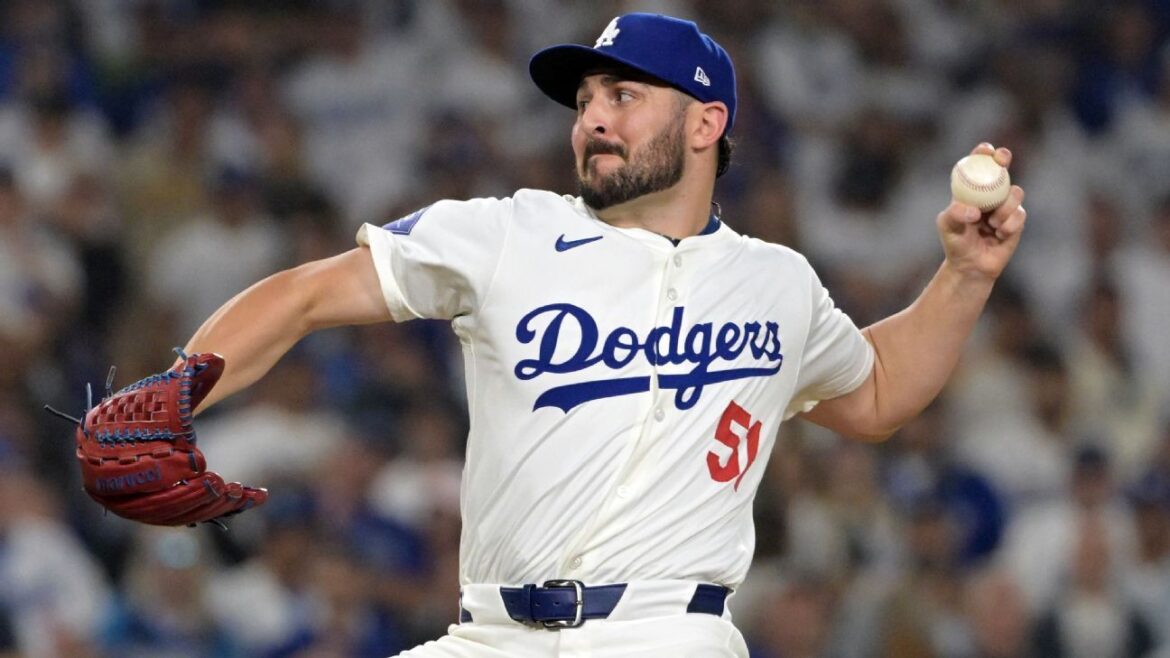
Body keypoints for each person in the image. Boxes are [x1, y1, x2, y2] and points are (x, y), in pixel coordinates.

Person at [106, 13, 1028, 657]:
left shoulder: (775, 282)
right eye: (585, 99)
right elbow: (307, 295)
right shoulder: (506, 232)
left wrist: (965, 275)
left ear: (706, 122)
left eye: (623, 94)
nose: (592, 118)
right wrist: (180, 387)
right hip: (488, 634)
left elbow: (874, 394)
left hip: (668, 635)